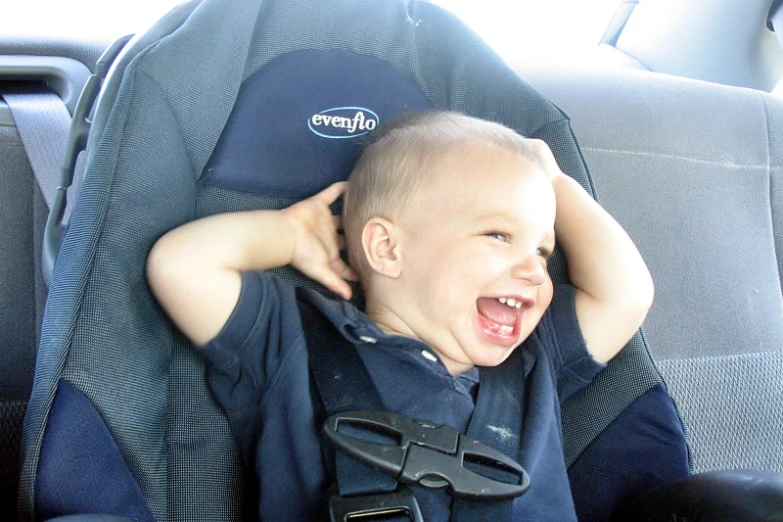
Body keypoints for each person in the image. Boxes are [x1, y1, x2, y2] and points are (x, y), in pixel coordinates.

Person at [146, 111, 654, 521]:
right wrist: (289, 234)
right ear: (387, 248)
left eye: (544, 251)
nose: (534, 272)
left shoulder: (535, 358)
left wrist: (556, 181)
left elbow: (626, 294)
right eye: (499, 236)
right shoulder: (293, 338)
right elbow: (182, 265)